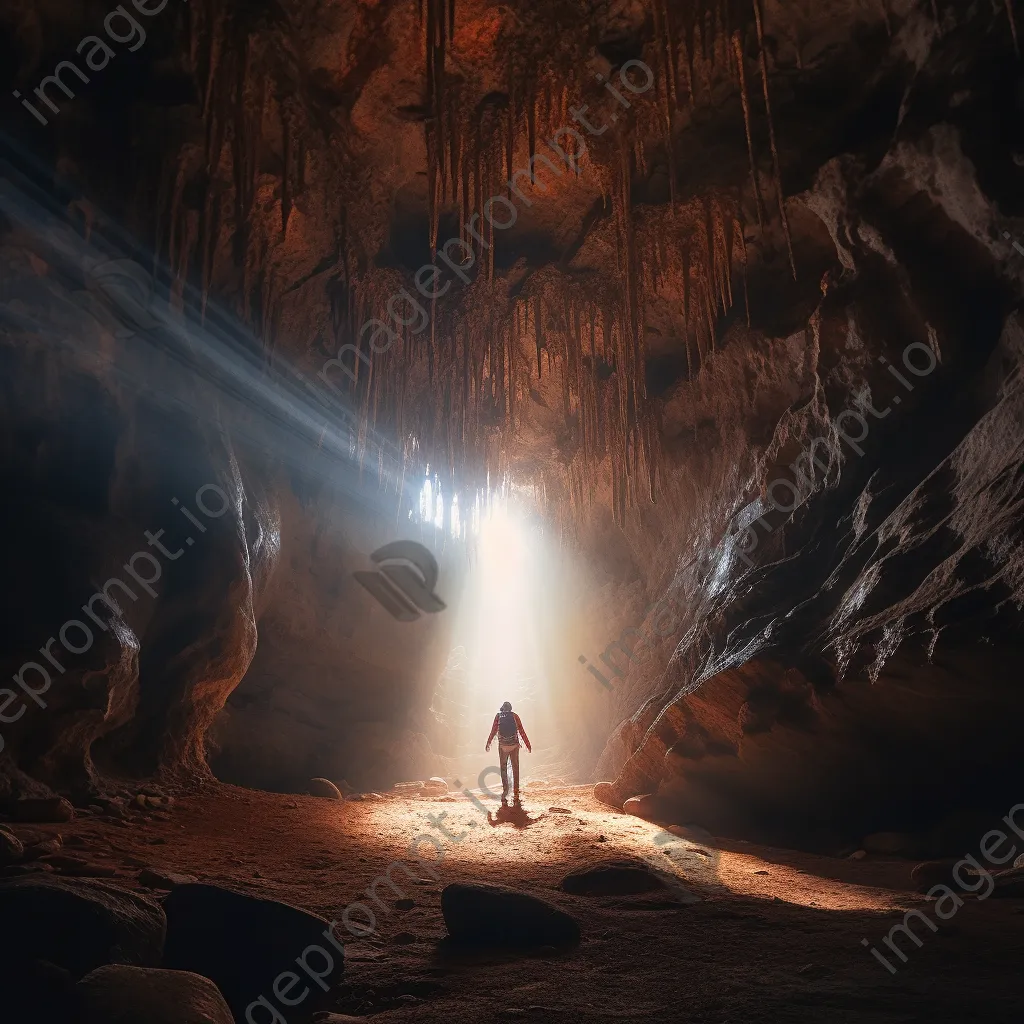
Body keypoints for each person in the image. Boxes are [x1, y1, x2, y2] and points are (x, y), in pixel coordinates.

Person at [484, 701, 531, 805]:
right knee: (515, 768)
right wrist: (527, 744)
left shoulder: (498, 716)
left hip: (502, 746)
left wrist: (488, 743)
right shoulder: (515, 716)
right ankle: (516, 792)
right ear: (511, 708)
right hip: (514, 745)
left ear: (502, 708)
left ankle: (505, 792)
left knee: (503, 768)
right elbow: (522, 731)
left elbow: (493, 731)